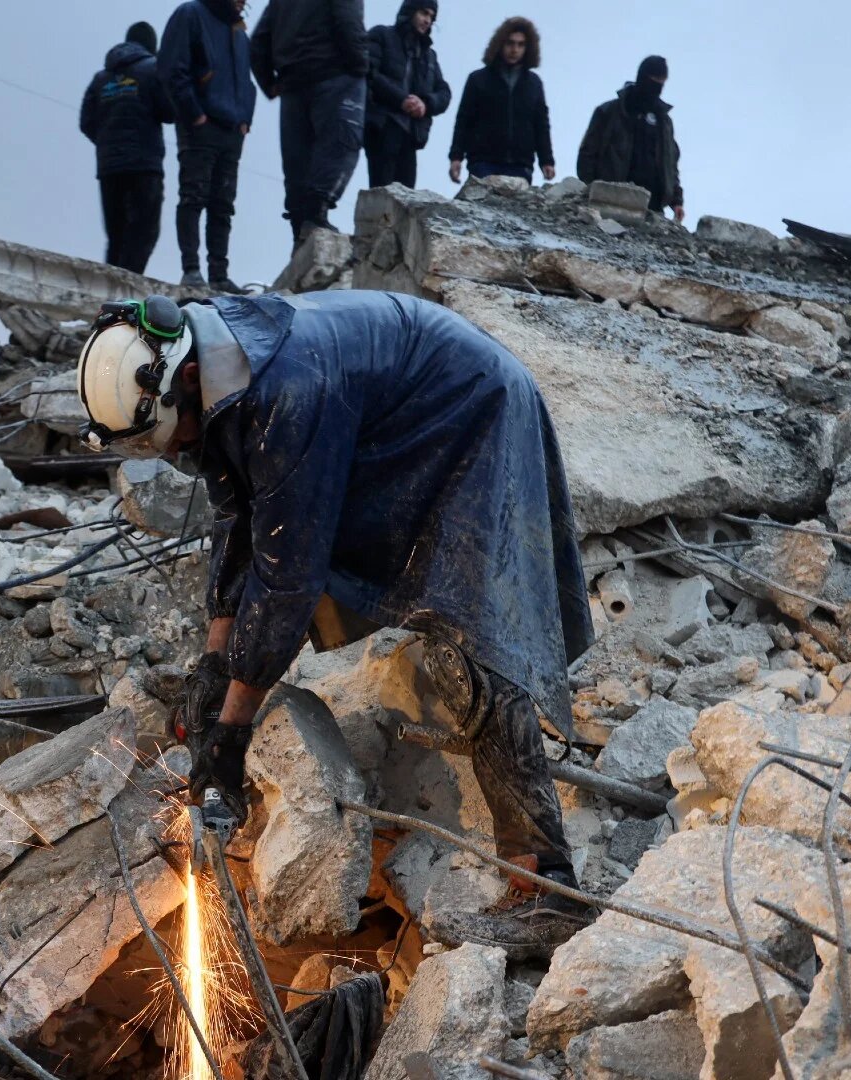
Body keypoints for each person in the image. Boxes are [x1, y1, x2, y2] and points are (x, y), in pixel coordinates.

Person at [75, 289, 595, 959]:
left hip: (474, 407)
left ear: (188, 380)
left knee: (472, 642)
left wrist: (231, 730)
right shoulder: (213, 374)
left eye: (171, 435)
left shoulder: (287, 389)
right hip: (403, 411)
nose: (177, 449)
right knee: (430, 625)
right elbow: (238, 522)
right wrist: (213, 662)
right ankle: (540, 886)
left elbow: (288, 575)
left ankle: (547, 892)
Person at [249, 0, 369, 243]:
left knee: (297, 162)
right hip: (334, 76)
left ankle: (300, 234)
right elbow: (349, 22)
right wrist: (361, 65)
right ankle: (316, 215)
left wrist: (269, 83)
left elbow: (258, 41)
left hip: (292, 84)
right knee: (340, 145)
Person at [159, 0, 257, 292]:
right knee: (193, 196)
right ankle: (191, 269)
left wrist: (245, 119)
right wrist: (195, 113)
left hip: (232, 130)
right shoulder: (191, 14)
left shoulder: (239, 31)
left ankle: (219, 274)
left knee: (223, 205)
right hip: (200, 125)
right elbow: (171, 68)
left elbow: (246, 82)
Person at [80, 22, 176, 274]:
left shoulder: (100, 78)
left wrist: (108, 143)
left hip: (109, 167)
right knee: (145, 230)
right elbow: (169, 111)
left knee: (116, 235)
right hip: (144, 164)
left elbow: (86, 122)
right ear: (151, 46)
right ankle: (128, 287)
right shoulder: (152, 70)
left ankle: (110, 291)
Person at [446, 17, 554, 186]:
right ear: (500, 44)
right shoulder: (478, 79)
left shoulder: (534, 84)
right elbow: (464, 120)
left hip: (521, 165)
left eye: (521, 44)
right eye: (510, 43)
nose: (515, 49)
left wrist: (547, 161)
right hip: (483, 163)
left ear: (528, 48)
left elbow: (541, 123)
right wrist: (456, 157)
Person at [576, 56, 684, 222]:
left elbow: (670, 162)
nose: (656, 87)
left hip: (653, 209)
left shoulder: (664, 122)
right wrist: (591, 189)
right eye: (653, 80)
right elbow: (588, 152)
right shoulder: (610, 112)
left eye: (661, 82)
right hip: (610, 203)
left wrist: (676, 201)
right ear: (642, 77)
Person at [363, 2, 450, 189]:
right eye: (424, 13)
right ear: (410, 11)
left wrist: (425, 104)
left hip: (411, 135)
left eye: (432, 17)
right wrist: (401, 99)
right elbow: (368, 72)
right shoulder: (381, 35)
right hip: (382, 126)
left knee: (406, 202)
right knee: (381, 195)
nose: (427, 20)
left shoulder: (429, 56)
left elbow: (444, 92)